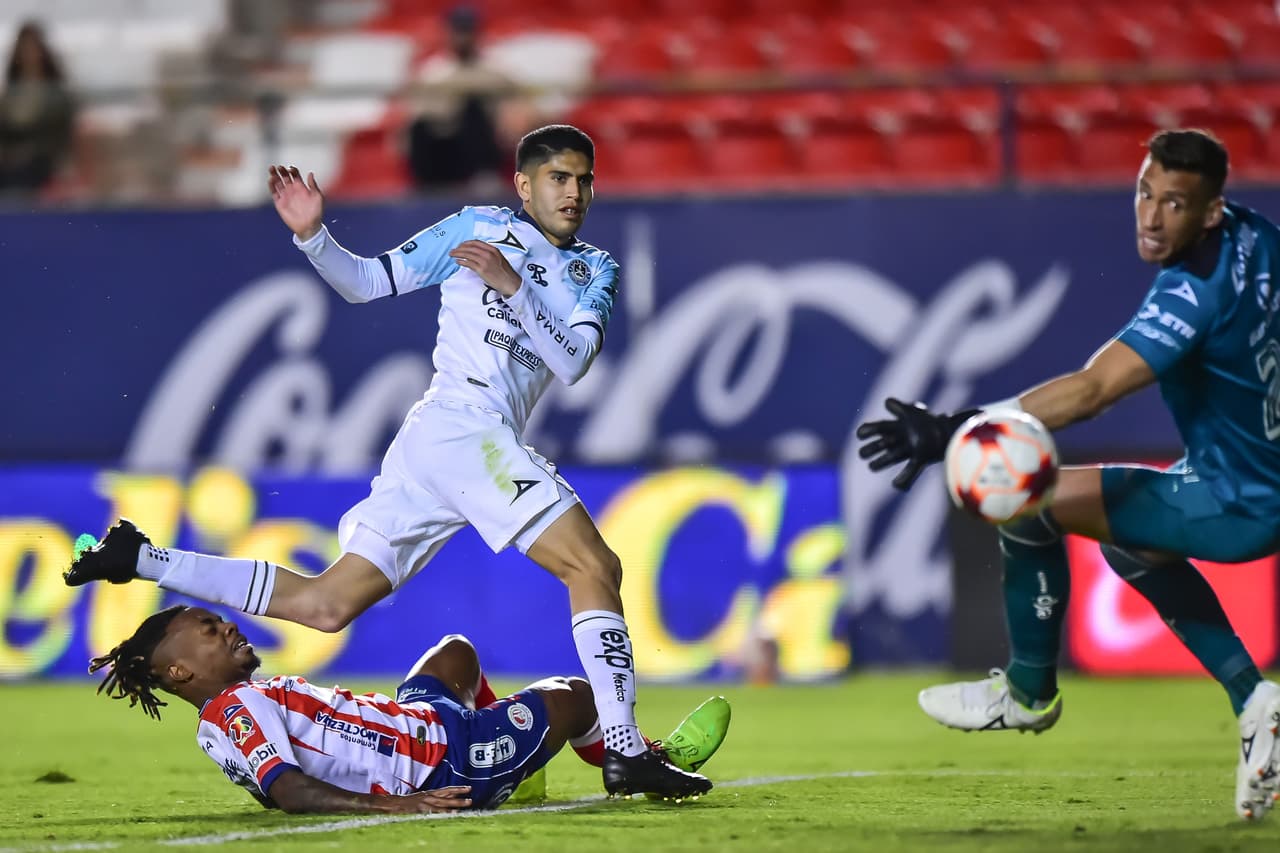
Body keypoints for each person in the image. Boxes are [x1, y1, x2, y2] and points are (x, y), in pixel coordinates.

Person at [66, 123, 713, 800]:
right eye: (558, 178)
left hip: (448, 443)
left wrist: (513, 288)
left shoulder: (596, 268)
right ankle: (625, 751)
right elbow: (366, 281)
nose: (573, 192)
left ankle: (141, 558)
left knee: (325, 604)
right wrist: (314, 237)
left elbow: (573, 361)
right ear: (524, 185)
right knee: (593, 567)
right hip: (460, 427)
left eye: (583, 179)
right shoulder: (474, 227)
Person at [856, 129, 1280, 822]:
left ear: (1209, 212)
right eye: (1145, 192)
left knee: (1031, 499)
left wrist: (956, 428)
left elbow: (1091, 392)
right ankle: (1253, 700)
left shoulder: (1193, 294)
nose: (1151, 216)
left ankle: (1027, 693)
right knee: (1132, 547)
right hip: (1249, 473)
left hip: (1239, 499)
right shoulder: (1258, 238)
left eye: (1174, 203)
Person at [89, 605, 730, 813]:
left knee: (455, 653)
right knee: (578, 694)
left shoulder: (230, 713)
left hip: (416, 723)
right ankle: (639, 759)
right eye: (208, 631)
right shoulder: (235, 711)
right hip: (444, 763)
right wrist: (397, 805)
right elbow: (286, 790)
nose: (227, 626)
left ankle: (522, 766)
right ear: (180, 672)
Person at [406, 5, 511, 192]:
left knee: (473, 107)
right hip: (445, 142)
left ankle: (484, 176)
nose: (463, 37)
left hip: (488, 144)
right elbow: (421, 110)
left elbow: (509, 98)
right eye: (458, 31)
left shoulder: (495, 68)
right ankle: (427, 186)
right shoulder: (434, 70)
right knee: (420, 127)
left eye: (467, 31)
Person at [0, 20, 75, 194]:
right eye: (25, 48)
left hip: (43, 168)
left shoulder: (57, 96)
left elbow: (64, 137)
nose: (29, 53)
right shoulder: (9, 96)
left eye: (33, 47)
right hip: (10, 167)